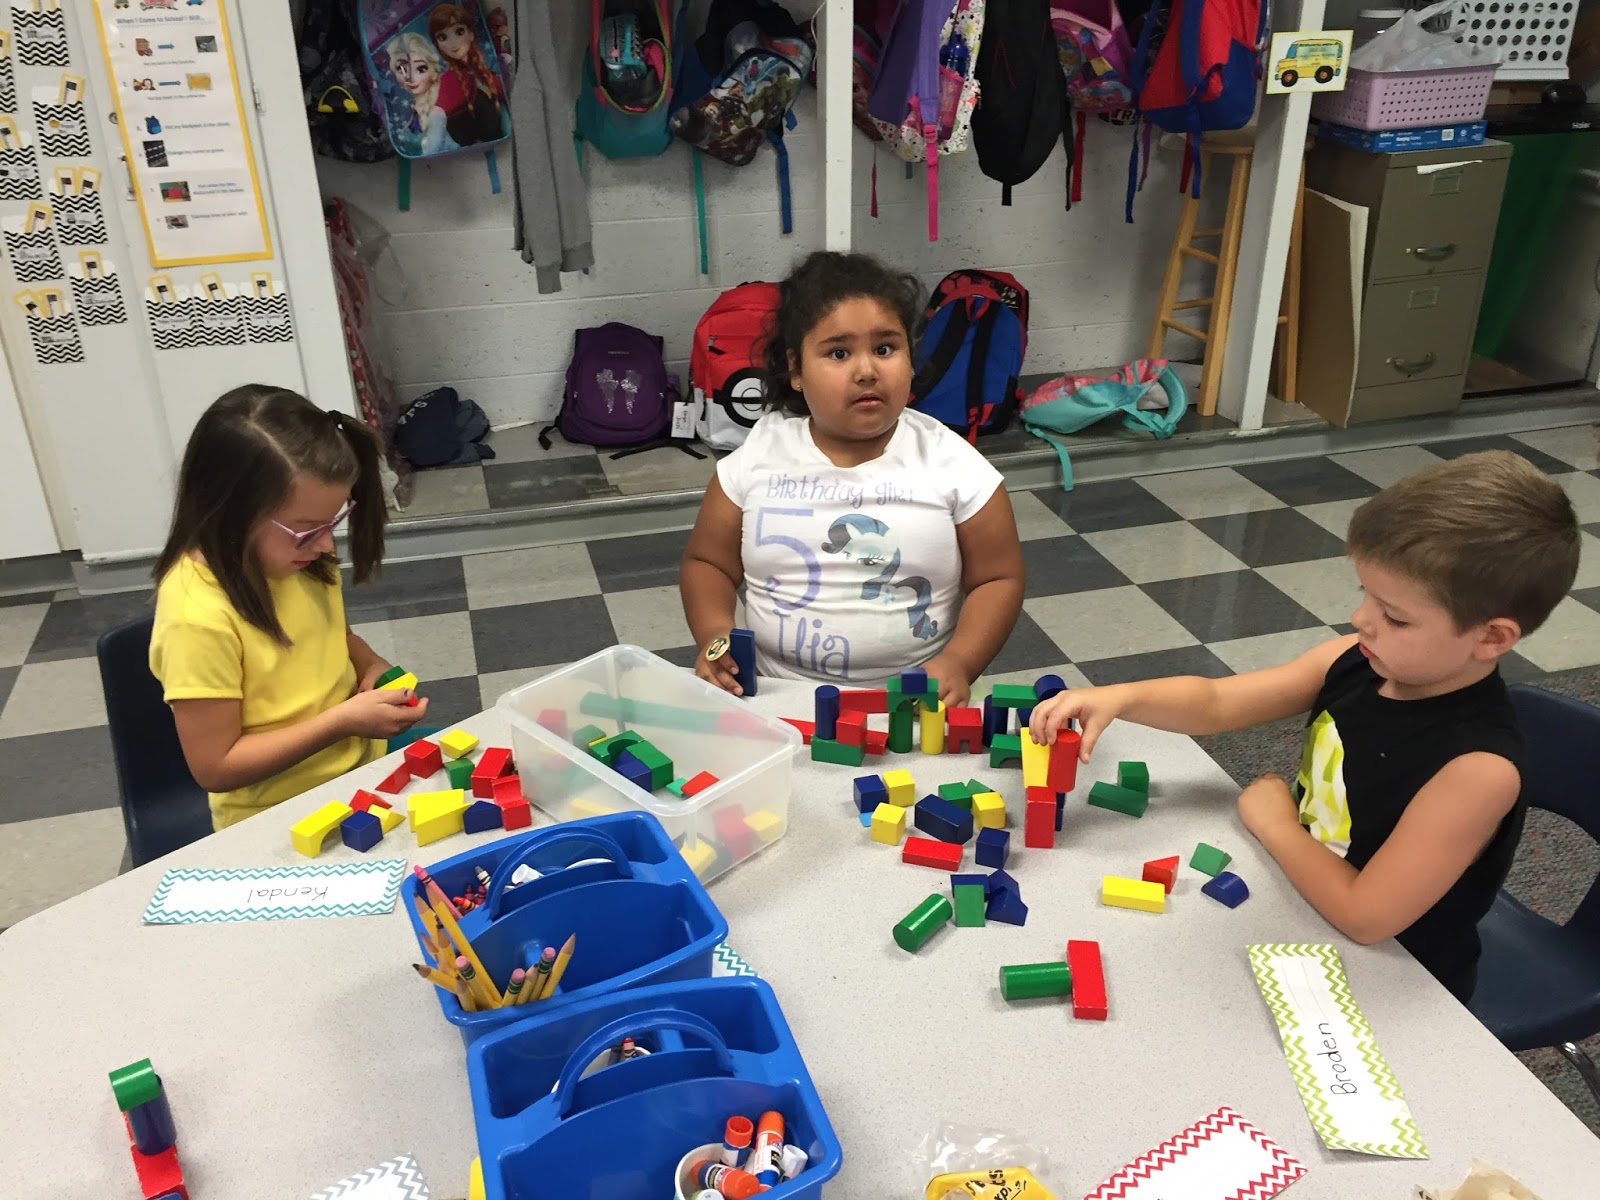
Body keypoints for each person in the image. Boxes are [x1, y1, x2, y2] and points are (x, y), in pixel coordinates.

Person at [1029, 450, 1580, 1001]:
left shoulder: (1477, 770)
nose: (1361, 618)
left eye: (1396, 616)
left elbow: (1366, 916)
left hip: (1396, 973)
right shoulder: (1356, 658)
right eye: (1366, 595)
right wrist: (1122, 697)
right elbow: (1218, 703)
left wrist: (1276, 825)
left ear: (1492, 638)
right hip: (1300, 896)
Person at [680, 250, 1024, 707]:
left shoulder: (952, 463)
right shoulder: (760, 454)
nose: (867, 371)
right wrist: (716, 636)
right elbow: (708, 564)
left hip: (915, 701)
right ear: (796, 371)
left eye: (885, 349)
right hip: (774, 694)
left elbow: (998, 579)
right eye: (839, 353)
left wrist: (960, 661)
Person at [150, 386, 429, 830]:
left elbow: (333, 637)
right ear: (229, 513)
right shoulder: (196, 620)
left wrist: (370, 663)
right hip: (278, 816)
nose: (323, 545)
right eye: (304, 531)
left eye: (331, 523)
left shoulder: (300, 559)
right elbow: (216, 767)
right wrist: (342, 723)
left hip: (361, 771)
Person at [430, 3, 506, 146]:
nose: (453, 43)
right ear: (437, 44)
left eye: (459, 32)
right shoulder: (448, 79)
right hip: (466, 137)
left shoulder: (486, 64)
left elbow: (502, 89)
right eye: (442, 37)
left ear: (471, 34)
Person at [383, 30, 453, 157]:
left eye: (421, 69)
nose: (410, 77)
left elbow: (432, 152)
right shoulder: (409, 109)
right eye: (402, 69)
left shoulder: (436, 114)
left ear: (434, 73)